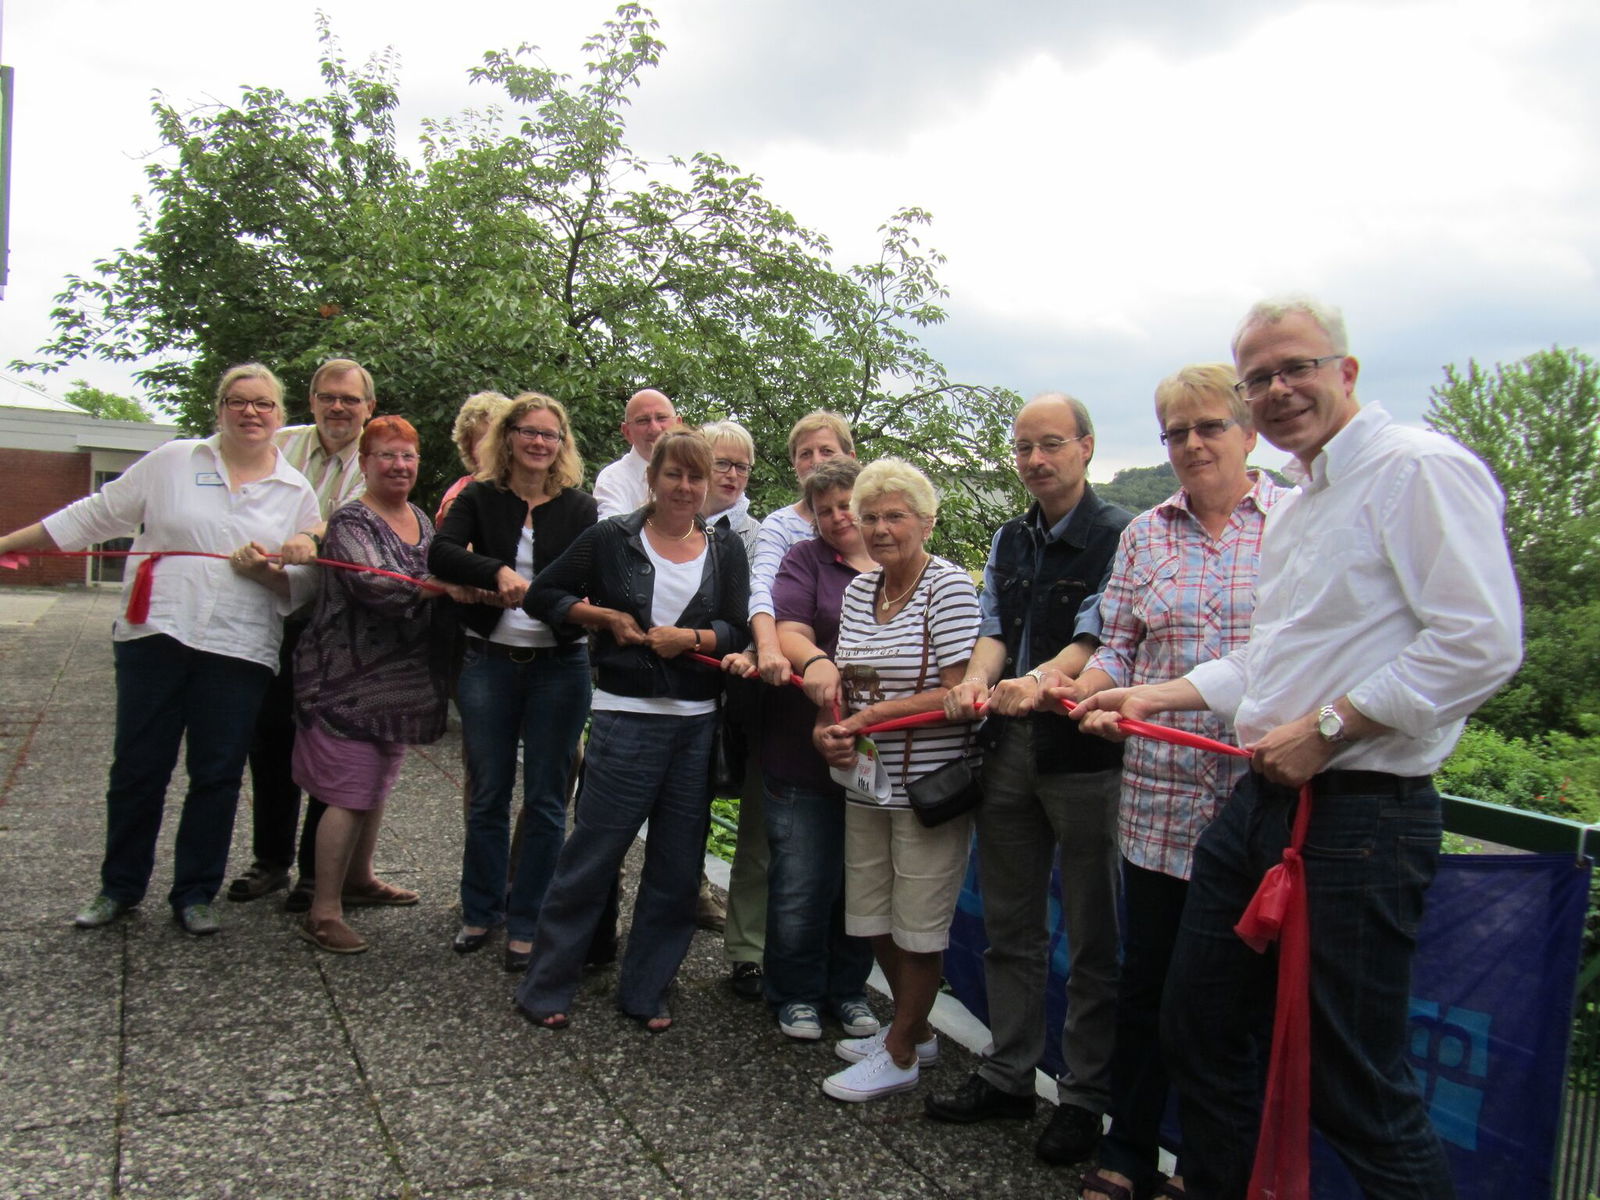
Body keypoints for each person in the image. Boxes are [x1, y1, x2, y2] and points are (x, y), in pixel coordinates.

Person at [1073, 296, 1522, 1199]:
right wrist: (1155, 691)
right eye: (1261, 378)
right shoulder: (1309, 500)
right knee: (1196, 1023)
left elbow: (1482, 641)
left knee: (1352, 1084)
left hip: (1360, 817)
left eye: (1297, 369)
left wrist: (1331, 728)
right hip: (1264, 807)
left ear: (1346, 373)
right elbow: (1274, 657)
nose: (1279, 391)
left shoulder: (1418, 469)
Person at [1070, 365, 1289, 1200]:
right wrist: (1093, 687)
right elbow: (1118, 644)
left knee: (1229, 1013)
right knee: (1148, 988)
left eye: (1209, 427)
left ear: (1249, 433)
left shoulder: (1294, 525)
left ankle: (1210, 1173)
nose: (1193, 444)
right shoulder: (1145, 536)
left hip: (1256, 813)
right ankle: (1127, 1151)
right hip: (1159, 802)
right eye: (1176, 432)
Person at [0, 364, 320, 935]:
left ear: (280, 415)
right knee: (138, 769)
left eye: (264, 404)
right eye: (237, 401)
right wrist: (8, 545)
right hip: (157, 636)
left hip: (238, 647)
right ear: (218, 407)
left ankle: (195, 893)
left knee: (217, 775)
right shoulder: (175, 460)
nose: (251, 412)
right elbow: (91, 516)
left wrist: (269, 572)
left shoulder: (296, 492)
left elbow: (301, 589)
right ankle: (118, 887)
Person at [927, 393, 1132, 1167]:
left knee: (1092, 936)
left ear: (1085, 446)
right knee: (1011, 925)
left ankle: (1082, 1099)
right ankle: (1010, 1071)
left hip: (1087, 759)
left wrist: (1040, 681)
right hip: (1010, 747)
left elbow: (1098, 630)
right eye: (1023, 448)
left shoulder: (1121, 534)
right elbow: (991, 628)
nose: (1035, 460)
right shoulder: (1012, 536)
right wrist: (977, 681)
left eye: (1050, 445)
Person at [515, 430, 750, 1033]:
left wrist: (693, 640)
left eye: (696, 478)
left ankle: (646, 990)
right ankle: (547, 984)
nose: (686, 487)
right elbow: (544, 595)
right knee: (592, 857)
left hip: (695, 728)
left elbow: (735, 630)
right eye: (674, 474)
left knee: (675, 868)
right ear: (653, 477)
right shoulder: (611, 537)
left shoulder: (725, 549)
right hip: (624, 718)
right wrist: (602, 616)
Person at [812, 458, 982, 1102]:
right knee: (873, 913)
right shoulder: (862, 590)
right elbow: (846, 677)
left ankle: (902, 1049)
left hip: (929, 787)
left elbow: (958, 692)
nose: (881, 528)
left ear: (926, 521)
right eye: (871, 516)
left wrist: (873, 718)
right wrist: (834, 728)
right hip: (867, 779)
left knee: (918, 923)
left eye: (895, 515)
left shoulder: (949, 588)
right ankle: (917, 1030)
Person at [287, 416, 483, 953]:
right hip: (344, 679)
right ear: (366, 463)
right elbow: (375, 585)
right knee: (347, 794)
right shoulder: (351, 520)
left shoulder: (418, 516)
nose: (399, 466)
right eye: (387, 456)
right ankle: (322, 910)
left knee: (375, 786)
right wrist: (440, 587)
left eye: (408, 457)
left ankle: (360, 879)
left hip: (399, 683)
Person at [427, 393, 598, 971]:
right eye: (528, 431)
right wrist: (493, 571)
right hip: (490, 662)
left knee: (549, 800)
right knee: (489, 793)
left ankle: (529, 918)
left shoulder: (580, 508)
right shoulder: (479, 495)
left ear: (562, 444)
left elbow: (595, 576)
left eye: (550, 434)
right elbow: (442, 553)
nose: (539, 442)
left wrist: (561, 601)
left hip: (559, 665)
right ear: (508, 437)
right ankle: (480, 909)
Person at [724, 456, 879, 1041]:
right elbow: (788, 625)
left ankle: (847, 987)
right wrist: (814, 661)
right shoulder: (805, 560)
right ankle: (793, 991)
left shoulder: (897, 563)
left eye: (848, 504)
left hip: (875, 755)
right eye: (826, 508)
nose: (840, 516)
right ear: (812, 517)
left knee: (858, 880)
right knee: (800, 877)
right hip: (799, 747)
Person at [229, 358, 377, 911]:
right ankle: (270, 861)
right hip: (268, 614)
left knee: (327, 746)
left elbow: (346, 518)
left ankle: (319, 874)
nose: (338, 407)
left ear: (369, 407)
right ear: (311, 401)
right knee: (268, 743)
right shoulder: (277, 445)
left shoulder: (373, 457)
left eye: (350, 399)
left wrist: (306, 534)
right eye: (327, 396)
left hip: (334, 624)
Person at [592, 388, 678, 519]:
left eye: (661, 418)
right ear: (627, 432)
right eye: (643, 420)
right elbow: (612, 535)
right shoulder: (613, 479)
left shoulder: (699, 474)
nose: (654, 428)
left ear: (679, 424)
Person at [436, 391, 513, 524]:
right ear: (468, 446)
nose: (493, 448)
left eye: (499, 439)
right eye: (484, 441)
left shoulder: (528, 489)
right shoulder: (460, 498)